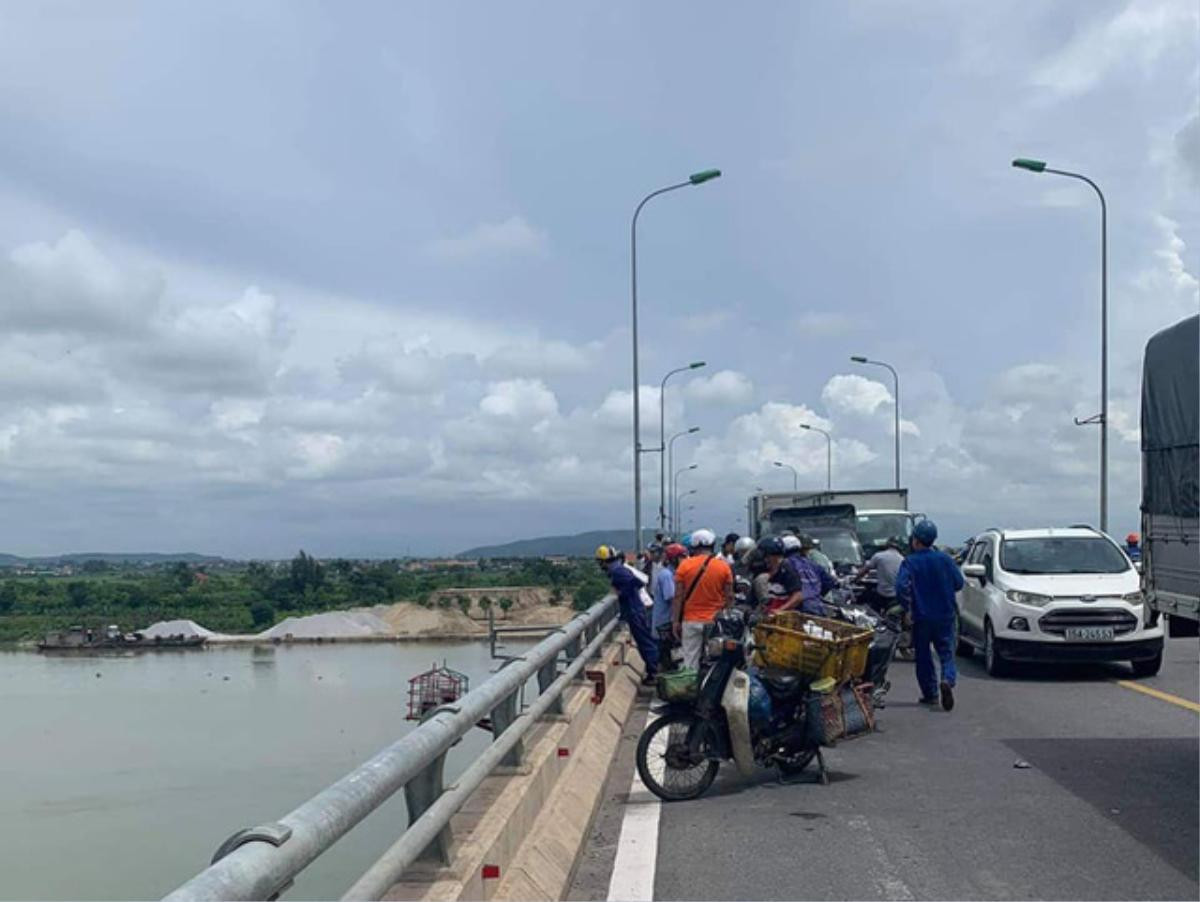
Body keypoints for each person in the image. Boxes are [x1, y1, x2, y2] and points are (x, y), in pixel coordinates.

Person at [894, 520, 963, 711]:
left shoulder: (910, 562)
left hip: (921, 617)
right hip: (945, 616)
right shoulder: (945, 559)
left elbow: (900, 587)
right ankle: (947, 679)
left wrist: (907, 607)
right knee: (946, 653)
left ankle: (931, 693)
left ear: (915, 540)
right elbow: (959, 583)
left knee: (923, 657)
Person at [671, 528, 734, 670]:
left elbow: (678, 597)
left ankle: (690, 689)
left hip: (691, 621)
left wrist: (675, 621)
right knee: (717, 661)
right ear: (712, 546)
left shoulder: (684, 566)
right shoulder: (723, 567)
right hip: (715, 622)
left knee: (690, 660)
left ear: (693, 547)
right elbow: (729, 596)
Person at [596, 545, 659, 685]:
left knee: (645, 642)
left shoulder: (618, 571)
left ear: (604, 561)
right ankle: (653, 670)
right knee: (646, 641)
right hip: (635, 610)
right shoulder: (619, 569)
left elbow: (636, 582)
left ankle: (654, 672)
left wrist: (621, 593)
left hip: (635, 611)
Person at [781, 534, 836, 615]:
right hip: (819, 608)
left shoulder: (785, 564)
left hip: (800, 610)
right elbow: (830, 581)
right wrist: (815, 594)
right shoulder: (812, 564)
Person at [652, 543, 686, 670]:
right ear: (674, 559)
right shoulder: (667, 575)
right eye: (681, 557)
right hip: (665, 624)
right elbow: (672, 598)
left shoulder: (673, 574)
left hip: (667, 621)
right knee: (668, 658)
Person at [856, 536, 904, 612]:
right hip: (896, 596)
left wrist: (856, 579)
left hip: (882, 595)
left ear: (887, 545)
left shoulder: (879, 556)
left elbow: (864, 570)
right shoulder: (902, 559)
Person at [760, 537, 804, 613]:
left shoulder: (786, 570)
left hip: (786, 618)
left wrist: (780, 610)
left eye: (767, 556)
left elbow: (798, 596)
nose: (765, 560)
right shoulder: (773, 572)